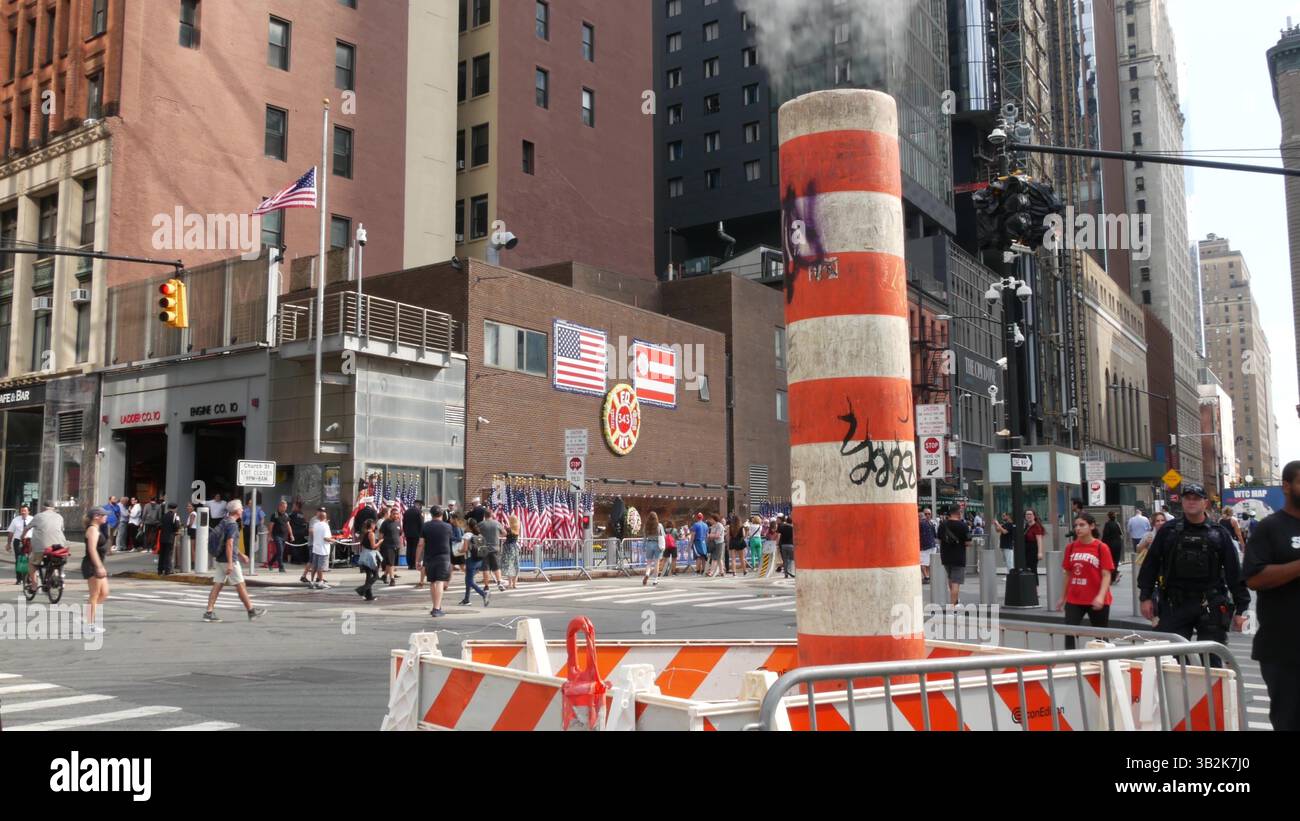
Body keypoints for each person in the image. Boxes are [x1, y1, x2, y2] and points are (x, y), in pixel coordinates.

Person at [1137, 483, 1249, 663]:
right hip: (1175, 603)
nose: (1191, 502)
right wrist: (1145, 597)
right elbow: (1151, 564)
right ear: (1181, 502)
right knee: (1171, 662)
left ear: (1205, 503)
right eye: (1187, 498)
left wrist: (1241, 608)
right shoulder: (1168, 531)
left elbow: (1234, 572)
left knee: (1212, 662)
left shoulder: (1218, 534)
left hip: (1209, 604)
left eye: (1196, 498)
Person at [1241, 460, 1300, 731]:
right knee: (1289, 721)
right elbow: (1254, 578)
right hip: (1283, 648)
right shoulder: (1270, 528)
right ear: (1286, 486)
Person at [203, 500, 267, 623]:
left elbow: (229, 543)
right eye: (241, 508)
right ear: (237, 511)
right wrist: (231, 563)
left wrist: (241, 555)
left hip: (220, 559)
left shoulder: (225, 521)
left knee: (217, 585)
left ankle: (209, 612)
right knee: (240, 585)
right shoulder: (232, 524)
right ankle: (251, 611)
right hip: (228, 560)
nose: (243, 510)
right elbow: (229, 544)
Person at [1057, 513, 1113, 648]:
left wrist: (1100, 596)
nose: (1078, 528)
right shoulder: (1070, 548)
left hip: (1096, 598)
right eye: (1076, 525)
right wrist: (1062, 597)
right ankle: (1072, 662)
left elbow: (1106, 575)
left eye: (1082, 525)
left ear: (1092, 526)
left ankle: (1105, 663)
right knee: (1069, 632)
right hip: (1075, 598)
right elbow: (1068, 574)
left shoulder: (1101, 547)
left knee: (1100, 636)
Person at [417, 506, 453, 616]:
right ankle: (437, 608)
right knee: (440, 582)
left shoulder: (425, 526)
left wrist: (417, 560)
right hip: (443, 557)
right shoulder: (448, 527)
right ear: (442, 514)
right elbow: (450, 542)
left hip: (429, 557)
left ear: (431, 514)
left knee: (432, 582)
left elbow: (421, 544)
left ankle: (435, 606)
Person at [24, 504, 67, 593]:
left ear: (43, 508)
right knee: (58, 560)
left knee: (31, 563)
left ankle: (34, 585)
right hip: (59, 547)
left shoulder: (38, 516)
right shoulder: (60, 517)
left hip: (41, 547)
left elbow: (27, 528)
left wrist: (22, 537)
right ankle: (60, 575)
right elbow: (61, 529)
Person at [80, 507, 110, 634]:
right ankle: (89, 624)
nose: (106, 517)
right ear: (96, 516)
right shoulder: (92, 529)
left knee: (104, 593)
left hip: (98, 564)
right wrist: (98, 566)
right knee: (95, 594)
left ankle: (88, 617)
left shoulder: (97, 528)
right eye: (104, 515)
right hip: (92, 565)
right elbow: (92, 549)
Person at [937, 506, 970, 606]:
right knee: (956, 582)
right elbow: (968, 542)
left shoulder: (942, 525)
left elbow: (939, 540)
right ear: (959, 512)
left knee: (951, 579)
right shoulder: (963, 525)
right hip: (958, 556)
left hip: (946, 556)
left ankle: (955, 600)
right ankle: (953, 605)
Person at [459, 519, 490, 606]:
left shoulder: (467, 535)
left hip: (470, 560)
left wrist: (458, 550)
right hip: (479, 560)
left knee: (469, 581)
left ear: (468, 526)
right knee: (468, 580)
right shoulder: (479, 534)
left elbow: (464, 549)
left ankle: (483, 594)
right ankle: (466, 599)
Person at [303, 507, 334, 590]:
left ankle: (312, 581)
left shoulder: (316, 525)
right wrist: (333, 540)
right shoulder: (325, 526)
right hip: (323, 549)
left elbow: (314, 534)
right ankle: (320, 582)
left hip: (316, 547)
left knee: (314, 566)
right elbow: (326, 538)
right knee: (320, 567)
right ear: (325, 518)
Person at [356, 518, 381, 601]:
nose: (375, 526)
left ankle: (369, 595)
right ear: (371, 525)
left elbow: (361, 543)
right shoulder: (371, 534)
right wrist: (380, 541)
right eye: (374, 524)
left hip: (364, 555)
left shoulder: (364, 533)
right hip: (370, 556)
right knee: (376, 575)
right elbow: (373, 546)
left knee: (368, 575)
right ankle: (362, 589)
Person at [7, 505, 32, 584]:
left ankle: (28, 578)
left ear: (28, 511)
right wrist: (8, 544)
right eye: (22, 511)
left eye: (25, 510)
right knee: (19, 560)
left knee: (29, 560)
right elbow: (11, 532)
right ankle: (19, 579)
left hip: (29, 541)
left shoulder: (33, 519)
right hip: (18, 541)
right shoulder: (15, 520)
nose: (23, 512)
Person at [477, 512, 503, 591]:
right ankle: (499, 583)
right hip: (494, 547)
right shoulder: (497, 523)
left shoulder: (480, 524)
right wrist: (497, 536)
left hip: (483, 547)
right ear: (491, 515)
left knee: (485, 568)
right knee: (496, 567)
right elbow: (504, 532)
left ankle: (486, 586)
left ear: (484, 515)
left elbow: (476, 533)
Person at [379, 505, 403, 586]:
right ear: (390, 514)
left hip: (397, 545)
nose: (396, 515)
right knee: (390, 563)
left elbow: (400, 534)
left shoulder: (398, 522)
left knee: (391, 563)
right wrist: (379, 545)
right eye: (394, 514)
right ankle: (392, 579)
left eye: (397, 514)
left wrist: (400, 544)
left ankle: (385, 576)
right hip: (388, 546)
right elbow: (381, 535)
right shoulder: (385, 523)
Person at [403, 500, 426, 588]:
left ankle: (409, 564)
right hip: (417, 534)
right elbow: (421, 524)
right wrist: (422, 533)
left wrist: (405, 532)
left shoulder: (407, 511)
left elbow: (404, 523)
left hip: (408, 533)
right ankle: (413, 564)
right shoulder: (418, 512)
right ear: (419, 505)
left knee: (409, 548)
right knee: (414, 549)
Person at [642, 511, 664, 586]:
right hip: (657, 544)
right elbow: (662, 536)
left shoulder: (646, 526)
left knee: (649, 563)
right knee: (656, 563)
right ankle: (655, 580)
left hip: (649, 543)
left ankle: (647, 574)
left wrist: (643, 546)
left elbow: (644, 537)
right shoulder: (659, 525)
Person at [158, 503, 181, 575]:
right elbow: (176, 526)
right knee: (168, 554)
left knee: (162, 554)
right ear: (175, 508)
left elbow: (159, 525)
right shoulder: (175, 516)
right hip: (170, 537)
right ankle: (167, 570)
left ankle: (160, 570)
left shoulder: (164, 515)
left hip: (162, 537)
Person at [269, 500, 291, 573]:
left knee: (279, 552)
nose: (285, 508)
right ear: (279, 506)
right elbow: (271, 526)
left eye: (286, 507)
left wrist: (291, 534)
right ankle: (281, 567)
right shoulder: (274, 515)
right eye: (284, 507)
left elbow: (288, 525)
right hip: (277, 535)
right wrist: (270, 535)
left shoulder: (286, 515)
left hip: (284, 536)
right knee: (280, 551)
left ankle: (271, 563)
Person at [1101, 511, 1124, 582]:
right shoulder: (1117, 524)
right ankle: (1114, 576)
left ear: (1108, 517)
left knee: (1110, 560)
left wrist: (1102, 543)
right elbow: (1121, 533)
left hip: (1110, 545)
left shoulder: (1107, 524)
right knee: (1116, 560)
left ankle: (1112, 576)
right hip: (1118, 544)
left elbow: (1105, 535)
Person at [1023, 509, 1046, 576]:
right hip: (1026, 550)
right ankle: (1029, 585)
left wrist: (1040, 552)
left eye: (1030, 514)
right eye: (1027, 514)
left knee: (1032, 569)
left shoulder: (1036, 526)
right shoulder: (1027, 526)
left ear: (1034, 516)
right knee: (1027, 568)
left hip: (1033, 550)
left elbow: (1039, 540)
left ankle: (1034, 585)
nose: (1028, 516)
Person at [502, 514, 521, 590]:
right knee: (516, 565)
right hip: (515, 547)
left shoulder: (508, 529)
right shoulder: (517, 528)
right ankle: (514, 584)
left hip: (508, 547)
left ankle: (510, 584)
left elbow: (503, 534)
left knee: (510, 566)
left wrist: (504, 526)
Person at [919, 509, 937, 583]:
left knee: (927, 562)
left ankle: (927, 576)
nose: (927, 515)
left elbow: (934, 534)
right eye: (926, 514)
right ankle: (927, 576)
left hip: (930, 545)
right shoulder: (922, 523)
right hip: (926, 545)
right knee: (924, 562)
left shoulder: (931, 522)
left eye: (929, 514)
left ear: (931, 514)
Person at [777, 514, 795, 579]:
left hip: (783, 545)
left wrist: (777, 544)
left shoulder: (782, 527)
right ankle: (791, 570)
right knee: (792, 559)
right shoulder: (793, 528)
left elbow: (779, 536)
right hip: (791, 545)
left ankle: (786, 574)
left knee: (785, 560)